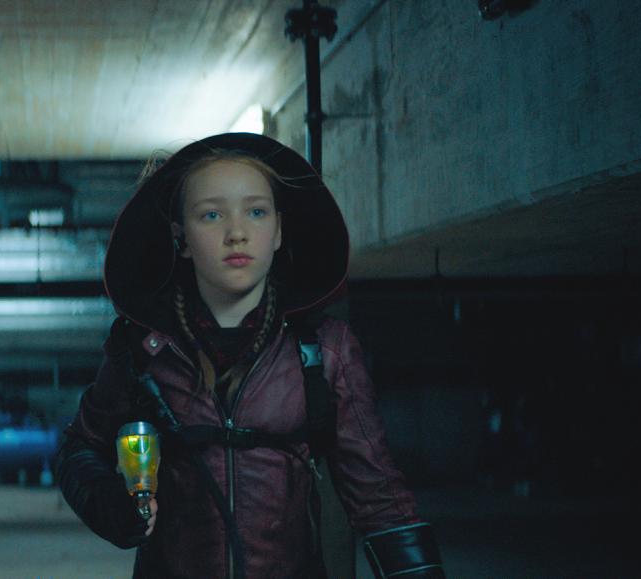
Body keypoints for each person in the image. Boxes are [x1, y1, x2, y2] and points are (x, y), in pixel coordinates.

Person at [56, 133, 443, 578]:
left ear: (278, 231)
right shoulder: (144, 351)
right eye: (212, 214)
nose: (236, 233)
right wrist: (108, 504)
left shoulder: (323, 350)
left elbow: (380, 500)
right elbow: (79, 448)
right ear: (182, 237)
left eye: (256, 212)